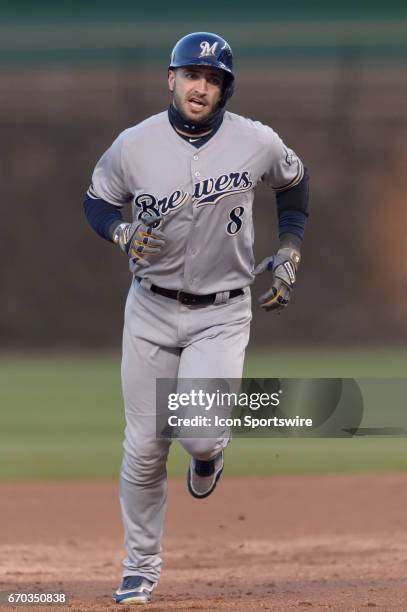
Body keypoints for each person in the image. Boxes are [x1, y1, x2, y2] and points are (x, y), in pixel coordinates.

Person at [83, 31, 309, 605]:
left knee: (199, 433)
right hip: (150, 309)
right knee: (143, 446)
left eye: (212, 80)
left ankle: (209, 455)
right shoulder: (134, 145)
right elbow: (98, 200)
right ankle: (139, 569)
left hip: (222, 312)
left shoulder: (254, 142)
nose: (200, 87)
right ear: (171, 79)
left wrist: (290, 247)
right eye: (192, 75)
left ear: (225, 90)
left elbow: (295, 181)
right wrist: (120, 230)